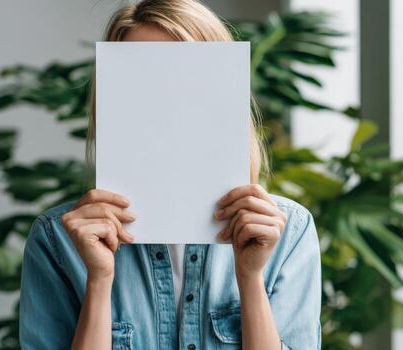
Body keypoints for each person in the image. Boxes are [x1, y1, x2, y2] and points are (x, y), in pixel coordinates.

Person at [19, 0, 321, 349]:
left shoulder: (287, 232)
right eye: (142, 81)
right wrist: (99, 282)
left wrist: (250, 279)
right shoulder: (57, 241)